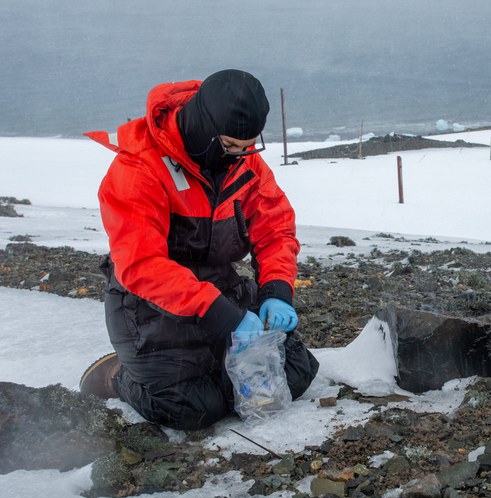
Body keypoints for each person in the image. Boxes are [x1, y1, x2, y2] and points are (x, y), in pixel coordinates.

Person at [80, 69, 319, 430]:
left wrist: (277, 291)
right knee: (188, 409)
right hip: (146, 302)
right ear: (204, 129)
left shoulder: (243, 158)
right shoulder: (139, 168)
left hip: (217, 285)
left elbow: (276, 228)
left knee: (296, 373)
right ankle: (119, 374)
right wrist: (222, 314)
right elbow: (141, 265)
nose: (241, 155)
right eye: (232, 145)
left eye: (250, 145)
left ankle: (213, 374)